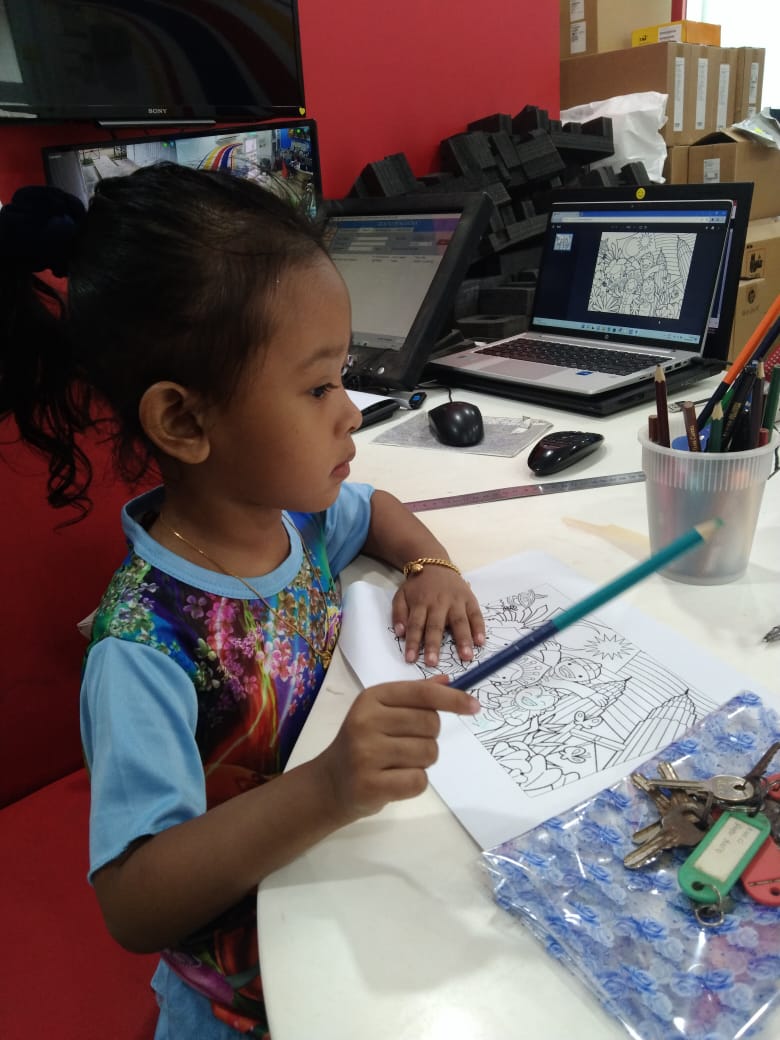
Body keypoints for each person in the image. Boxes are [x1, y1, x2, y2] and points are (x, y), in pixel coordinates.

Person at [0, 165, 485, 1039]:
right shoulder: (145, 644)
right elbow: (133, 901)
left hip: (341, 909)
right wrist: (329, 785)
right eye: (318, 388)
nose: (351, 414)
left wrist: (429, 566)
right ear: (185, 423)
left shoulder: (291, 520)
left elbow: (375, 508)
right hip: (246, 998)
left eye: (343, 377)